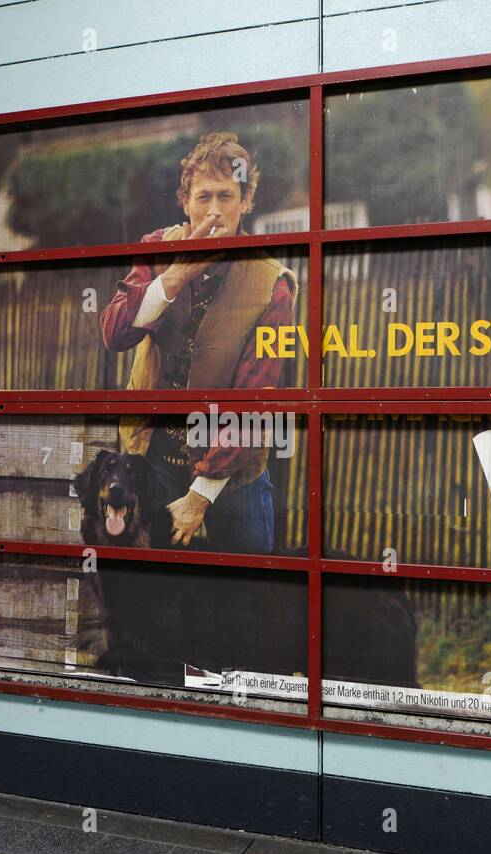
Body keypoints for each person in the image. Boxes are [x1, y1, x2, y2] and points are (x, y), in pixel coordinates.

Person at [99, 132, 297, 553]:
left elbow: (253, 399)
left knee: (249, 600)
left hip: (233, 473)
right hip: (153, 461)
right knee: (155, 597)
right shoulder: (156, 250)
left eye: (226, 196)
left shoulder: (272, 284)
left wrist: (201, 494)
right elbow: (115, 333)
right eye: (203, 196)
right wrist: (175, 275)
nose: (214, 210)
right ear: (185, 202)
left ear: (246, 202)